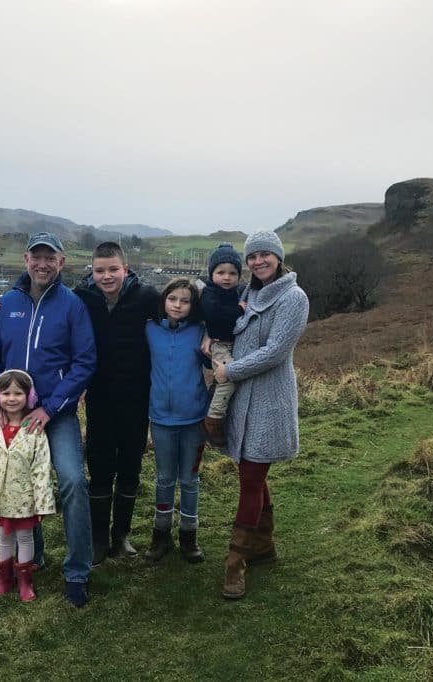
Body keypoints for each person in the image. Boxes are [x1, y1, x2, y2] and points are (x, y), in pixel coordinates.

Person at [0, 232, 97, 608]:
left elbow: (85, 362)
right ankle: (32, 558)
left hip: (54, 415)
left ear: (61, 262)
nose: (43, 264)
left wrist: (52, 406)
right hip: (13, 415)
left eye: (51, 258)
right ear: (26, 260)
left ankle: (77, 571)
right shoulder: (7, 305)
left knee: (74, 482)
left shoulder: (72, 306)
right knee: (19, 485)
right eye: (37, 257)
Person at [212, 231, 308, 600]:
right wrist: (210, 344)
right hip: (242, 400)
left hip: (268, 401)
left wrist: (229, 372)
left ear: (278, 257)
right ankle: (264, 544)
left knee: (252, 476)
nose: (257, 262)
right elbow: (233, 333)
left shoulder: (293, 298)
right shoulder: (247, 294)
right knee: (249, 472)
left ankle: (235, 561)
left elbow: (275, 351)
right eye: (252, 257)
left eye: (265, 255)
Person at [73, 242, 160, 565]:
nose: (106, 276)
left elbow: (186, 305)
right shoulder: (82, 297)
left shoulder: (148, 298)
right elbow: (42, 290)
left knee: (130, 468)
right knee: (99, 469)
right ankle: (98, 540)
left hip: (138, 400)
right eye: (100, 270)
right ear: (91, 271)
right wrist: (12, 291)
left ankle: (120, 535)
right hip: (99, 400)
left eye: (113, 269)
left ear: (126, 269)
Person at [0, 369, 55, 602]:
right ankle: (3, 580)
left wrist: (42, 502)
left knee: (25, 537)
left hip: (25, 499)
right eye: (6, 393)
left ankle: (25, 581)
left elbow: (41, 467)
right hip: (1, 498)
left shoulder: (34, 429)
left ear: (29, 396)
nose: (12, 398)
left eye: (18, 393)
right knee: (3, 538)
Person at [144, 278, 209, 563]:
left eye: (185, 301)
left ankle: (189, 536)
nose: (178, 305)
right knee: (165, 479)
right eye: (173, 299)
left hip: (194, 418)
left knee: (190, 480)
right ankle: (161, 535)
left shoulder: (201, 332)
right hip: (160, 418)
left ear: (193, 305)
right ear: (164, 300)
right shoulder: (149, 329)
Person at [197, 243, 247, 448]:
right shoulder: (210, 293)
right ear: (212, 274)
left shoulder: (239, 291)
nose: (227, 277)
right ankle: (213, 420)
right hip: (219, 345)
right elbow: (214, 314)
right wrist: (238, 310)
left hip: (232, 344)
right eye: (221, 272)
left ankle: (212, 402)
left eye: (232, 273)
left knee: (223, 378)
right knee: (230, 377)